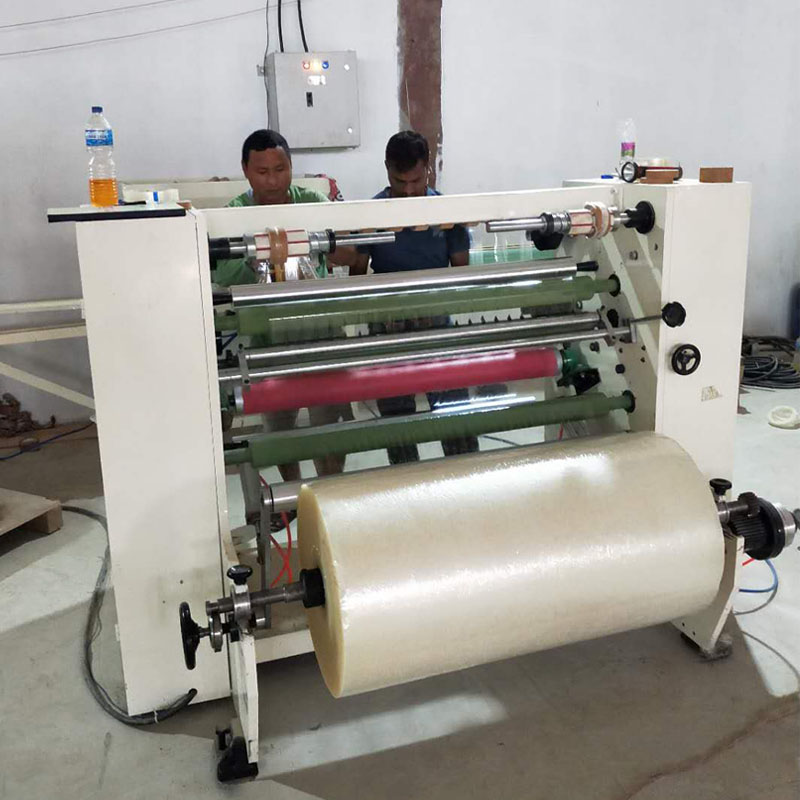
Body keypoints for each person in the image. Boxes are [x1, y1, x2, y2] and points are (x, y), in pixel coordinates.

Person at [215, 130, 355, 522]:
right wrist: (257, 256)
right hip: (267, 334)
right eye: (262, 172)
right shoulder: (234, 214)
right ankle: (294, 498)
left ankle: (328, 495)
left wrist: (319, 244)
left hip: (320, 328)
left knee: (330, 420)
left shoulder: (313, 204)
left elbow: (348, 250)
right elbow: (224, 273)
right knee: (279, 424)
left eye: (281, 169)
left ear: (291, 167)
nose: (273, 180)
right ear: (246, 170)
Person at [351, 131, 480, 464]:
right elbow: (356, 276)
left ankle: (466, 472)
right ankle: (407, 481)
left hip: (435, 321)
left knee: (455, 413)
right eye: (399, 181)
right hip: (387, 325)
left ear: (428, 169)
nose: (408, 191)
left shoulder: (446, 214)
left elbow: (460, 273)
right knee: (398, 421)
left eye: (416, 181)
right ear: (386, 169)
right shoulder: (370, 215)